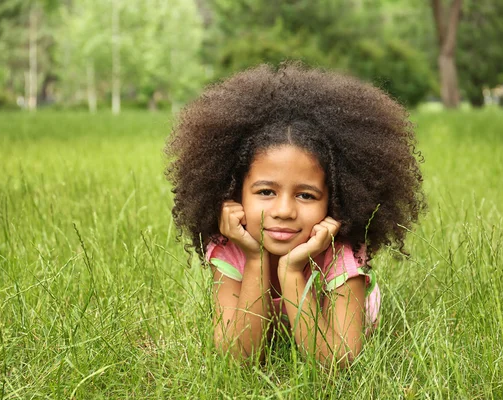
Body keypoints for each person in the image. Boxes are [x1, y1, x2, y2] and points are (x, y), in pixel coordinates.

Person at [165, 63, 425, 367]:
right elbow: (237, 358)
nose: (284, 211)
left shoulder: (341, 255)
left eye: (306, 195)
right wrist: (255, 259)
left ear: (336, 201)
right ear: (235, 194)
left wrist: (290, 273)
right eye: (265, 192)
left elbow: (338, 362)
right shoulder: (231, 246)